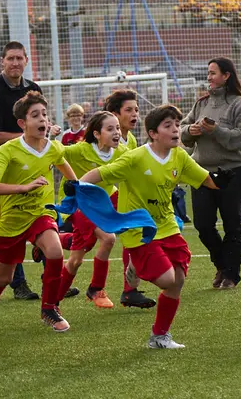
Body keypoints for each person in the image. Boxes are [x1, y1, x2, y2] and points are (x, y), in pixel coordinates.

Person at [79, 104, 230, 349]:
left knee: (178, 279)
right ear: (153, 133)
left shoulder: (179, 156)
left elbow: (204, 178)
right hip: (139, 228)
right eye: (167, 126)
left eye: (177, 125)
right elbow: (101, 173)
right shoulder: (136, 157)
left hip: (167, 225)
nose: (175, 130)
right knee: (167, 279)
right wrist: (77, 185)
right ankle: (136, 266)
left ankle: (159, 337)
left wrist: (223, 181)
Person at [0, 91, 78, 348]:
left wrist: (76, 186)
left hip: (40, 213)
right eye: (35, 115)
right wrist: (23, 187)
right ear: (22, 123)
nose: (43, 119)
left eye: (44, 114)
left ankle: (49, 309)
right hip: (10, 220)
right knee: (4, 278)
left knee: (55, 252)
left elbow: (61, 162)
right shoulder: (10, 150)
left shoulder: (52, 147)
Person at [181, 56, 241, 290]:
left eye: (213, 72)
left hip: (233, 173)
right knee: (203, 225)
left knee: (233, 224)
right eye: (208, 73)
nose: (209, 77)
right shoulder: (200, 103)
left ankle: (231, 274)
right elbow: (183, 132)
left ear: (226, 75)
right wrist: (190, 131)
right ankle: (222, 264)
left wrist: (215, 130)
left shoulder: (240, 104)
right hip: (202, 174)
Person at [0, 40, 43, 301]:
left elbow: (40, 122)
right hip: (5, 170)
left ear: (26, 61)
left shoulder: (33, 89)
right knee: (11, 225)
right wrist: (25, 136)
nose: (15, 63)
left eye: (20, 58)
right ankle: (19, 284)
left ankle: (54, 277)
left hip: (34, 166)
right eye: (11, 58)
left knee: (42, 214)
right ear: (2, 62)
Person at [56, 111, 127, 309]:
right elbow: (55, 153)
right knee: (108, 238)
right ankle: (96, 289)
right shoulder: (80, 150)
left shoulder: (122, 152)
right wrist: (49, 137)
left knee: (76, 259)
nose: (116, 133)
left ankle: (52, 301)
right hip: (78, 201)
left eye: (118, 128)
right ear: (96, 134)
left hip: (104, 200)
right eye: (110, 129)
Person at [104, 89, 156, 308]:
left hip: (121, 196)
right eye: (128, 110)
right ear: (115, 113)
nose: (135, 114)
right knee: (82, 244)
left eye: (136, 109)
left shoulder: (131, 138)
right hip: (101, 197)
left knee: (133, 234)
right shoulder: (105, 136)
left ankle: (130, 290)